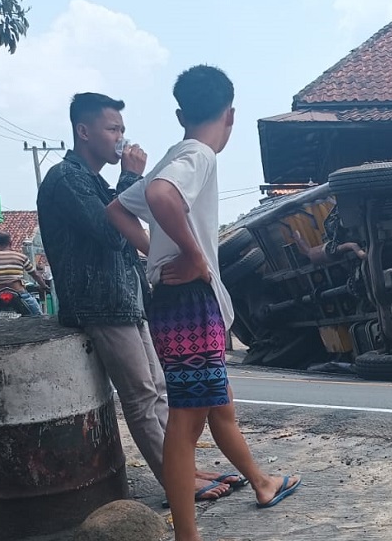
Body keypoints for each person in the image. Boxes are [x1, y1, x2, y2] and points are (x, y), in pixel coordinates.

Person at [108, 65, 301, 541]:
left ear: (180, 113)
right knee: (187, 420)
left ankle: (261, 481)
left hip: (180, 301)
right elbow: (159, 194)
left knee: (219, 407)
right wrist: (193, 256)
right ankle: (187, 535)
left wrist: (158, 250)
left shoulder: (176, 152)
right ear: (230, 114)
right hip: (190, 301)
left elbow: (117, 209)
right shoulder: (198, 155)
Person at [37, 92, 239, 506]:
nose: (120, 138)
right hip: (100, 303)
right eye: (112, 129)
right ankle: (174, 482)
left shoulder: (92, 180)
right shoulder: (65, 178)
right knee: (142, 394)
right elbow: (110, 231)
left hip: (126, 300)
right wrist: (131, 176)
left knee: (162, 389)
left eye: (122, 129)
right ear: (84, 131)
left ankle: (183, 469)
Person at [0, 231, 48, 315]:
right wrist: (44, 286)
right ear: (11, 242)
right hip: (18, 291)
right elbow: (34, 274)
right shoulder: (20, 256)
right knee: (36, 313)